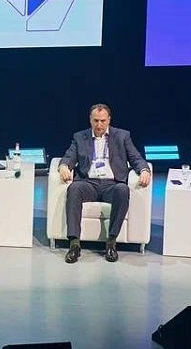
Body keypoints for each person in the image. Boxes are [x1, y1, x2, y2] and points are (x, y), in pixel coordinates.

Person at [58, 103, 151, 263]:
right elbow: (69, 156)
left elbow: (135, 157)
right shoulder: (80, 137)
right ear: (90, 120)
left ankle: (111, 243)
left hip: (112, 184)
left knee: (123, 190)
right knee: (74, 188)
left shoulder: (122, 136)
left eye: (102, 121)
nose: (99, 125)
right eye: (96, 121)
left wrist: (144, 170)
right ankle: (74, 245)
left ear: (109, 120)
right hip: (89, 183)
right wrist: (64, 166)